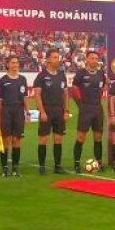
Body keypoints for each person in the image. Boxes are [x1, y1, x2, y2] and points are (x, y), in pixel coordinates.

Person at [33, 47, 69, 175]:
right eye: (54, 57)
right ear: (48, 59)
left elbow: (65, 94)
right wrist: (42, 112)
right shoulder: (41, 76)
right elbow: (37, 95)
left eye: (58, 57)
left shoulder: (61, 75)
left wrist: (66, 110)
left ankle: (57, 166)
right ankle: (42, 166)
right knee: (43, 139)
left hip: (59, 111)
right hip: (47, 111)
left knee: (58, 139)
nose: (57, 59)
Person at [71, 50, 107, 172]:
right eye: (92, 58)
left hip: (97, 108)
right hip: (85, 108)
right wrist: (80, 104)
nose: (94, 60)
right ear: (87, 60)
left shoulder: (101, 73)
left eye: (96, 58)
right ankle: (76, 164)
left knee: (98, 137)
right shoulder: (81, 73)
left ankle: (99, 162)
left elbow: (103, 87)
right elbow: (74, 88)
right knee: (81, 137)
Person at [0, 54, 28, 177]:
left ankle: (15, 168)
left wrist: (27, 111)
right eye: (13, 63)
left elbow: (25, 97)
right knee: (6, 140)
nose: (15, 65)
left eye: (16, 62)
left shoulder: (22, 79)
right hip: (6, 111)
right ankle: (4, 168)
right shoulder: (3, 80)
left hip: (19, 111)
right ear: (8, 64)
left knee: (17, 140)